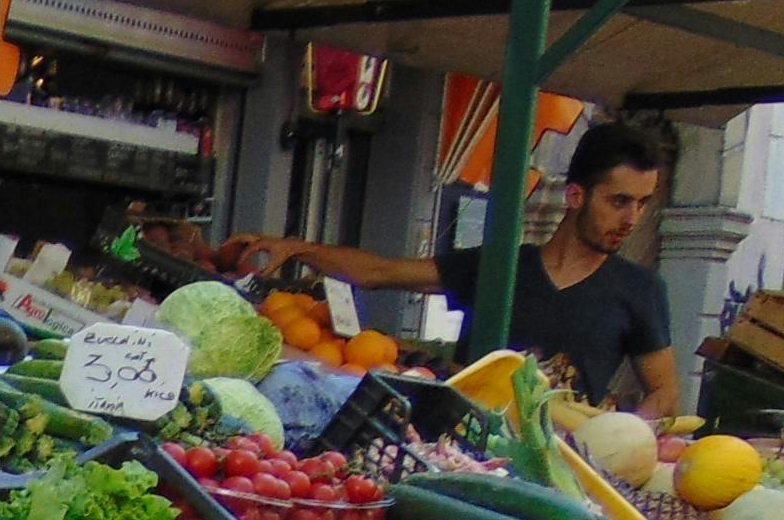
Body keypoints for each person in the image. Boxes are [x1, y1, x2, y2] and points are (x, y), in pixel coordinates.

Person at [226, 119, 677, 418]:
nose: (632, 219)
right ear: (577, 196)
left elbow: (664, 393)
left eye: (642, 203)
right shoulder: (502, 267)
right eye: (619, 201)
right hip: (457, 445)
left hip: (554, 468)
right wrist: (298, 247)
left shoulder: (640, 289)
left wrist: (617, 439)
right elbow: (380, 273)